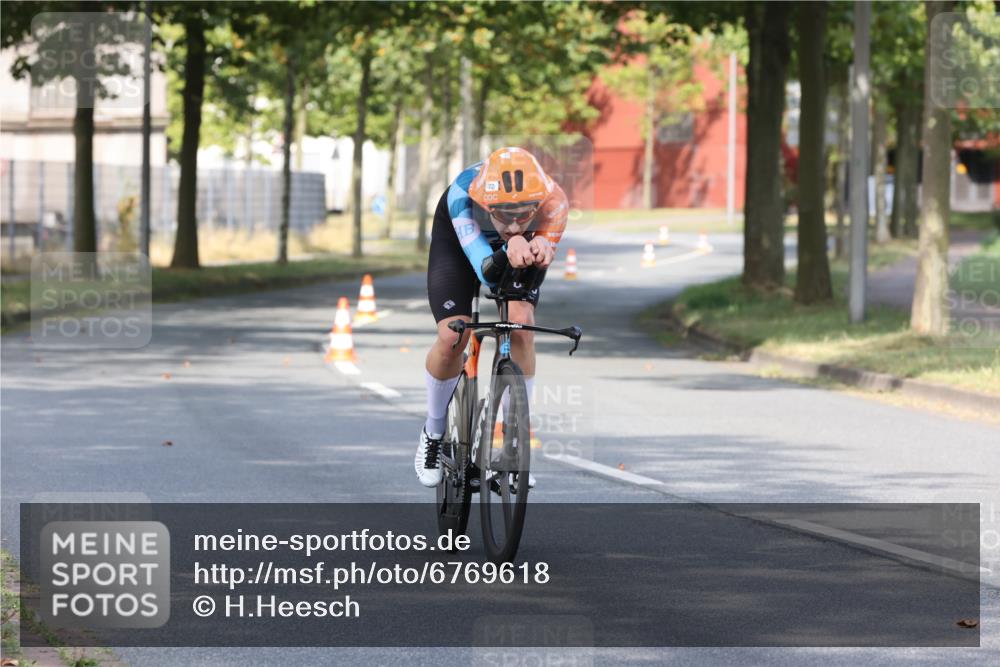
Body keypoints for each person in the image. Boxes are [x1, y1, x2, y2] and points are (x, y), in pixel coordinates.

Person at [415, 147, 568, 487]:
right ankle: (434, 432)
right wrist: (508, 246)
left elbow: (531, 270)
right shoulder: (463, 196)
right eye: (503, 214)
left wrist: (541, 248)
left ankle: (514, 440)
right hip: (460, 244)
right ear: (486, 204)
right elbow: (487, 273)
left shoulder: (554, 202)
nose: (514, 223)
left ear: (539, 203)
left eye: (524, 213)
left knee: (522, 324)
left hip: (513, 251)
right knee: (453, 336)